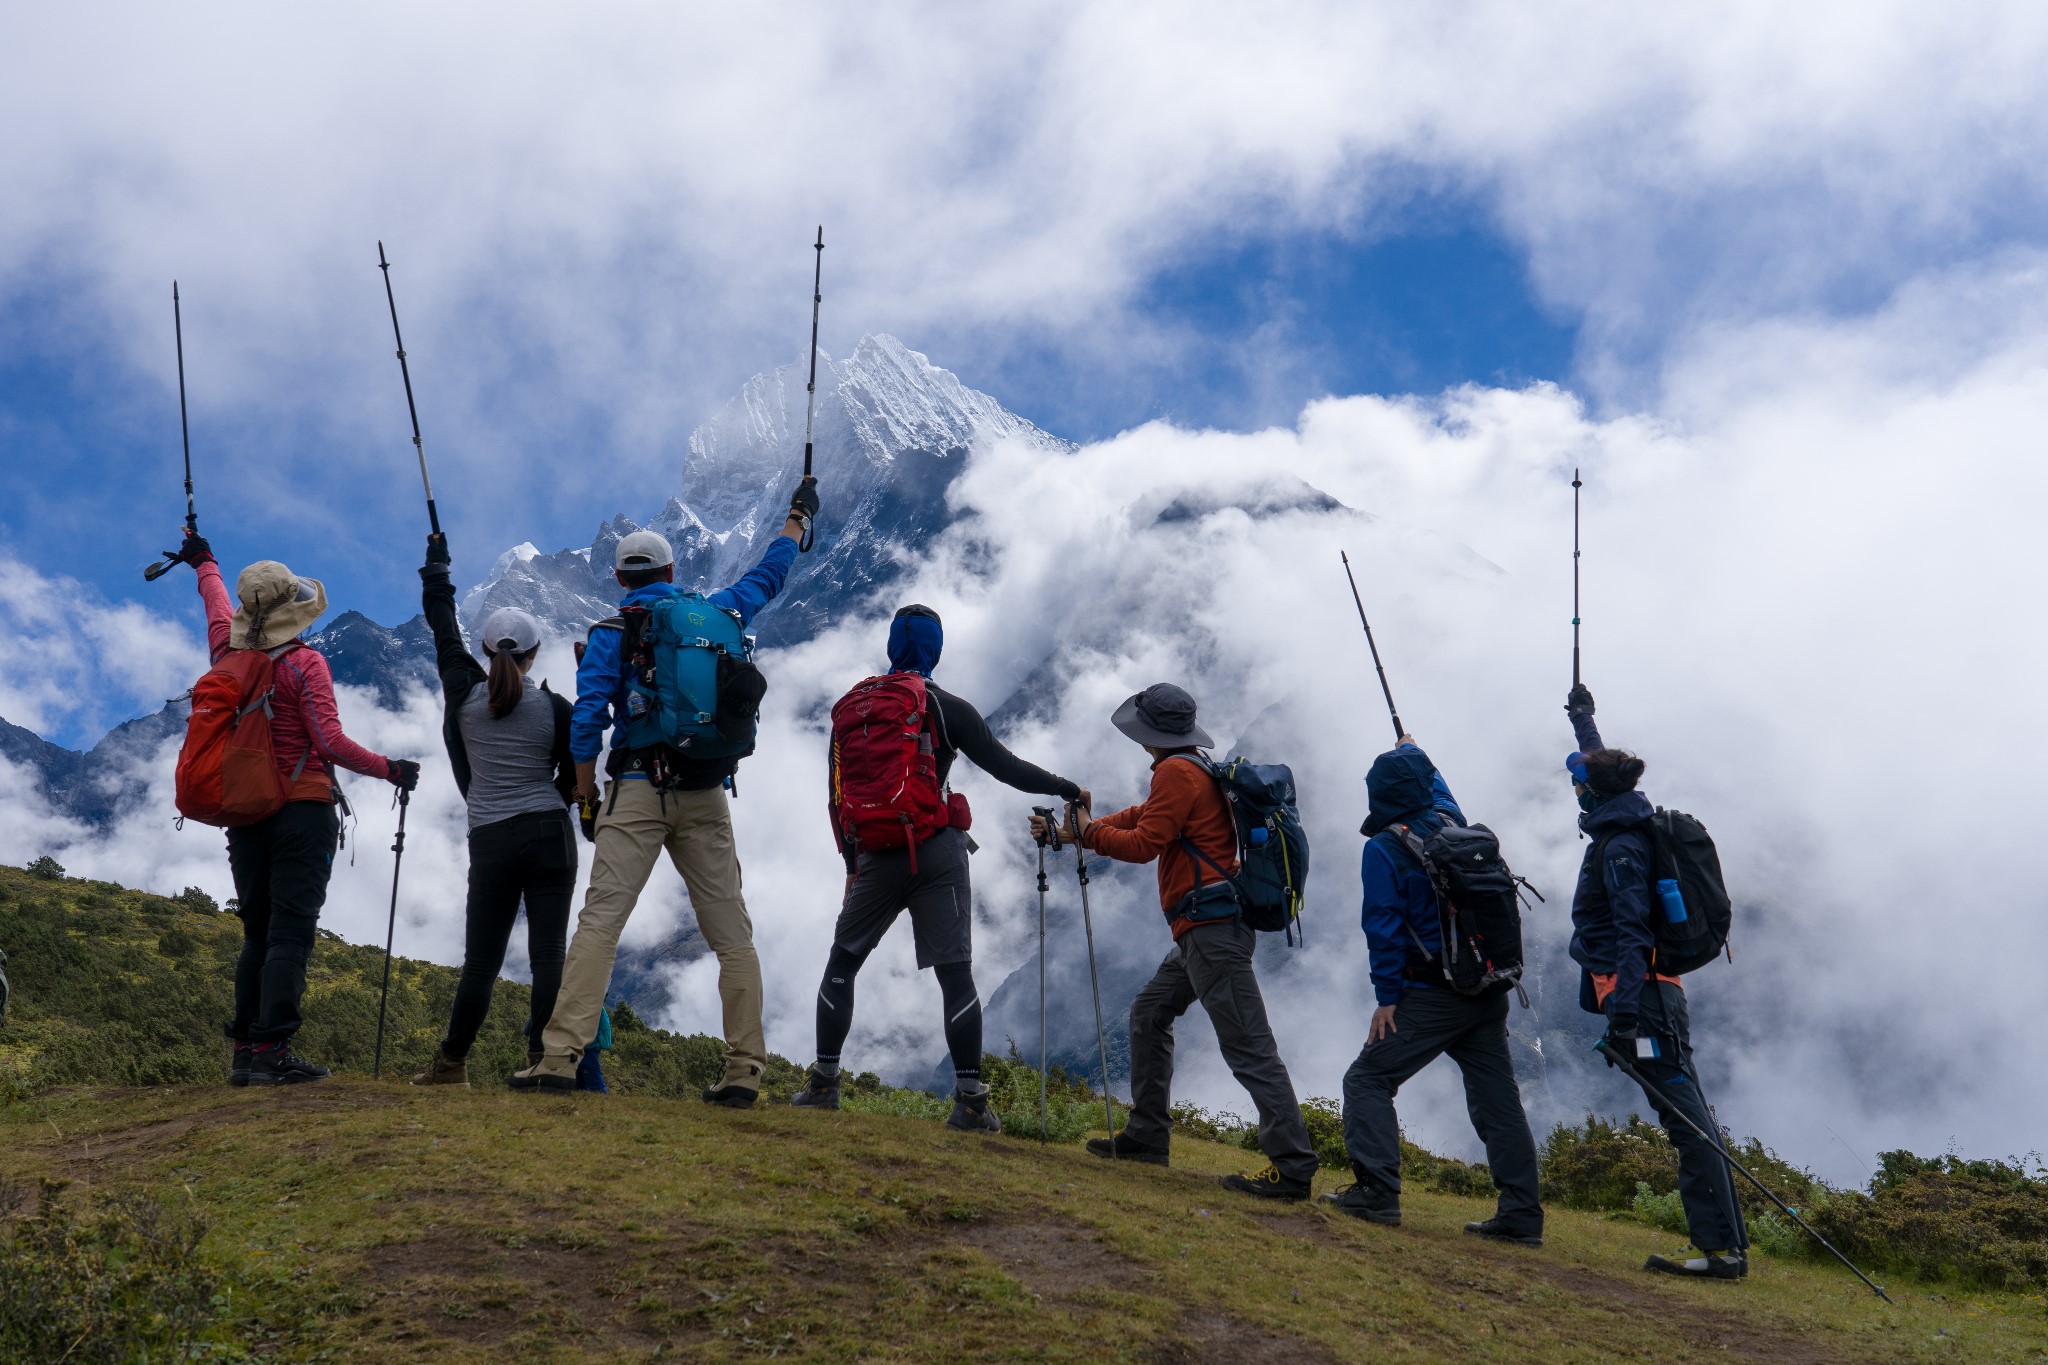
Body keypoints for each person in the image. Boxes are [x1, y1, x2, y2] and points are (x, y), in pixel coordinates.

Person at [510, 480, 819, 1101]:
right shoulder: (723, 609)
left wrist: (587, 797)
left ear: (620, 578)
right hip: (708, 791)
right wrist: (797, 519)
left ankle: (558, 1060)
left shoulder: (611, 631)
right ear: (674, 570)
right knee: (732, 936)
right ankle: (744, 1072)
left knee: (601, 924)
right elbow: (771, 572)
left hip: (636, 788)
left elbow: (588, 721)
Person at [790, 605, 1086, 1131]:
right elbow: (1007, 766)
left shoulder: (854, 709)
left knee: (843, 962)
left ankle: (823, 1084)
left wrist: (852, 865)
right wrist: (1066, 788)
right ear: (936, 650)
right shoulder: (945, 707)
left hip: (876, 855)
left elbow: (837, 799)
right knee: (955, 974)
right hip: (936, 851)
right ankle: (971, 1101)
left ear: (891, 647)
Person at [1037, 683, 1320, 1201]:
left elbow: (1144, 844)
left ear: (1150, 734)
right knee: (1150, 1013)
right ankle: (1147, 1137)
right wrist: (1080, 830)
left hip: (1211, 932)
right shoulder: (1194, 767)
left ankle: (1294, 1165)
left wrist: (1088, 834)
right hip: (1206, 930)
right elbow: (1143, 818)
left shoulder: (1175, 771)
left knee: (1249, 1046)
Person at [170, 527, 417, 1086]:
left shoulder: (226, 653)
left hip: (245, 811)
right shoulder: (306, 665)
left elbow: (215, 606)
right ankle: (274, 1051)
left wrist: (204, 563)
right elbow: (330, 744)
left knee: (256, 931)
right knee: (291, 930)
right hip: (302, 809)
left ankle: (244, 1051)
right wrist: (393, 770)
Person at [1324, 739, 1544, 1244]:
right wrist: (1418, 751)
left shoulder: (1383, 847)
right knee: (1498, 1101)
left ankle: (1377, 1194)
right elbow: (1440, 793)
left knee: (1367, 1079)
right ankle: (1521, 1215)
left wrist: (1387, 998)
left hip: (1430, 996)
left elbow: (1382, 926)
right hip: (1488, 988)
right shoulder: (1453, 826)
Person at [1567, 682, 1749, 1279]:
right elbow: (1601, 771)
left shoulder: (1620, 848)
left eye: (1579, 782)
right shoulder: (1630, 818)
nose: (1574, 788)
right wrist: (1583, 722)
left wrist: (1621, 1013)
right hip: (1660, 993)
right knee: (1691, 1113)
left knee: (1685, 1120)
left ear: (1594, 791)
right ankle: (1728, 1246)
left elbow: (1631, 932)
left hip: (1643, 999)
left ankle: (1719, 1252)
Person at [410, 532, 577, 1087]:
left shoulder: (463, 693)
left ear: (484, 651)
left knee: (481, 962)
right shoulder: (555, 707)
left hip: (490, 837)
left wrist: (438, 566)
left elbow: (441, 623)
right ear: (534, 655)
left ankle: (452, 1063)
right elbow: (570, 776)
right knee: (549, 954)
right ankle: (546, 1062)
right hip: (549, 831)